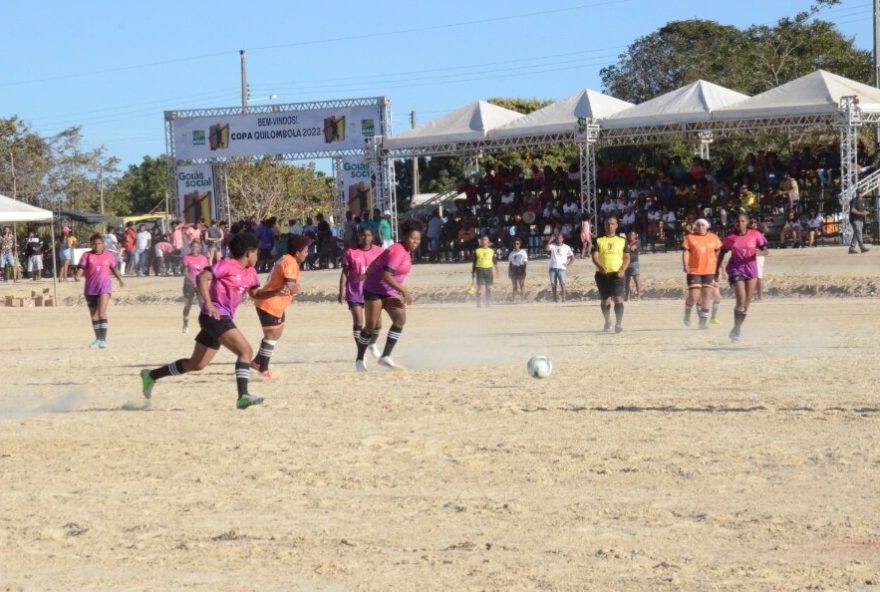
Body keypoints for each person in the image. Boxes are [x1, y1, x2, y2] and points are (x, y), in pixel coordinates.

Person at [140, 233, 288, 410]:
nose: (258, 256)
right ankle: (243, 396)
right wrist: (208, 303)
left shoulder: (250, 272)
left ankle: (151, 375)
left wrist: (277, 291)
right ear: (248, 253)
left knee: (196, 364)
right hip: (214, 317)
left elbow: (256, 294)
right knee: (246, 351)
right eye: (257, 252)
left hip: (220, 319)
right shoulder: (227, 265)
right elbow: (202, 277)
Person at [354, 219, 424, 372]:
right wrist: (404, 290)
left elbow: (376, 261)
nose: (415, 242)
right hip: (374, 290)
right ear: (405, 236)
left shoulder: (405, 251)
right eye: (412, 238)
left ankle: (385, 356)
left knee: (400, 319)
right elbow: (386, 275)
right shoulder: (397, 251)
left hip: (389, 291)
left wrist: (367, 273)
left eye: (418, 239)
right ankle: (359, 359)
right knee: (371, 326)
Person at [250, 234, 312, 381]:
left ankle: (257, 362)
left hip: (275, 304)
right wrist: (296, 288)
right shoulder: (290, 262)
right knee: (271, 337)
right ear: (297, 252)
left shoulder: (287, 259)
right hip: (270, 303)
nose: (307, 253)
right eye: (306, 251)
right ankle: (263, 369)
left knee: (275, 335)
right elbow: (290, 285)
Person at [716, 213, 768, 342]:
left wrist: (760, 252)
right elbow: (722, 252)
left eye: (743, 221)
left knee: (746, 304)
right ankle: (737, 329)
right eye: (738, 221)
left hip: (751, 270)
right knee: (741, 298)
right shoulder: (731, 238)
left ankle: (736, 328)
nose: (740, 224)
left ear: (747, 222)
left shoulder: (755, 235)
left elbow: (766, 250)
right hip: (735, 269)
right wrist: (716, 269)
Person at [339, 227, 384, 357]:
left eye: (369, 235)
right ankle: (361, 352)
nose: (366, 238)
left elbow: (385, 272)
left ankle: (372, 344)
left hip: (374, 292)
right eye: (363, 235)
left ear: (372, 237)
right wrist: (341, 290)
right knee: (358, 322)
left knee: (377, 324)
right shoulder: (351, 252)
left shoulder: (379, 252)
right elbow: (345, 273)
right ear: (359, 236)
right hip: (355, 292)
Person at [76, 234, 125, 348]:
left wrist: (120, 280)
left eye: (99, 244)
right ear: (91, 244)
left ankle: (103, 340)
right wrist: (77, 275)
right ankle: (98, 339)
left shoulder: (109, 256)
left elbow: (114, 269)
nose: (97, 246)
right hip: (90, 289)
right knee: (94, 316)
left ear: (103, 244)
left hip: (104, 288)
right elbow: (81, 268)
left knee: (101, 313)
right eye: (94, 244)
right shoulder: (86, 255)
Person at [681, 219, 722, 329]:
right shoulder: (689, 238)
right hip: (694, 270)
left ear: (707, 226)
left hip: (710, 271)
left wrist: (722, 269)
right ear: (695, 227)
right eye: (698, 225)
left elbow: (719, 254)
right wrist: (685, 265)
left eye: (703, 225)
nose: (701, 227)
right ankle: (687, 314)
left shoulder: (713, 237)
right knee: (694, 296)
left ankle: (702, 323)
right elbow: (685, 252)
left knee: (706, 296)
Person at [592, 216, 630, 333]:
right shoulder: (598, 239)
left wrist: (623, 269)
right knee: (606, 300)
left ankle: (618, 324)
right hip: (602, 274)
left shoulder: (622, 240)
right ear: (604, 225)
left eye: (612, 224)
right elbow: (594, 256)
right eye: (608, 224)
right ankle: (607, 321)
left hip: (617, 274)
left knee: (618, 298)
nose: (610, 226)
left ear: (616, 225)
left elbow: (627, 257)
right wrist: (600, 266)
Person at [180, 240, 209, 334]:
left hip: (200, 284)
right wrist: (192, 282)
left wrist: (204, 282)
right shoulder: (186, 258)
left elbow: (206, 272)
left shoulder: (203, 258)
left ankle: (204, 326)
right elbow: (185, 272)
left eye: (196, 247)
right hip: (189, 284)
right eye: (193, 247)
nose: (194, 249)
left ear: (199, 248)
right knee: (188, 305)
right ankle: (185, 324)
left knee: (202, 305)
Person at [546, 233, 574, 303]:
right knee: (553, 284)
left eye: (560, 238)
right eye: (557, 238)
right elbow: (546, 249)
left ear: (562, 239)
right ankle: (555, 299)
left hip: (562, 268)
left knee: (562, 284)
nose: (558, 239)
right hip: (552, 267)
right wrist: (549, 240)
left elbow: (572, 257)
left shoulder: (566, 247)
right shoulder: (553, 245)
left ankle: (563, 299)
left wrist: (567, 265)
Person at [471, 235, 498, 308]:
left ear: (488, 241)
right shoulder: (477, 251)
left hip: (489, 270)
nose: (484, 241)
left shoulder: (491, 251)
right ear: (481, 241)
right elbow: (474, 262)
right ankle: (478, 302)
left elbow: (494, 262)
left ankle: (488, 302)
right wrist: (473, 272)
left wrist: (497, 271)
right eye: (483, 240)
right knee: (480, 289)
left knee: (489, 288)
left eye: (486, 240)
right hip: (480, 270)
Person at [508, 237, 528, 304]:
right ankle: (514, 300)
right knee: (514, 286)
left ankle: (523, 299)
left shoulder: (523, 252)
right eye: (515, 244)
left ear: (520, 244)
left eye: (518, 244)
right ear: (513, 245)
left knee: (521, 285)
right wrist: (509, 272)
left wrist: (524, 271)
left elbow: (525, 263)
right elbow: (510, 263)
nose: (516, 245)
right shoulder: (511, 253)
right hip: (514, 269)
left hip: (521, 268)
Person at [624, 230, 641, 301]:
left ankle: (638, 296)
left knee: (636, 280)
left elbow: (632, 248)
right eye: (630, 235)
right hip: (626, 263)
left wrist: (626, 248)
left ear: (635, 236)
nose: (631, 236)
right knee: (627, 282)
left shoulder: (637, 242)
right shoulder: (626, 242)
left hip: (634, 263)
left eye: (632, 235)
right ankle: (627, 297)